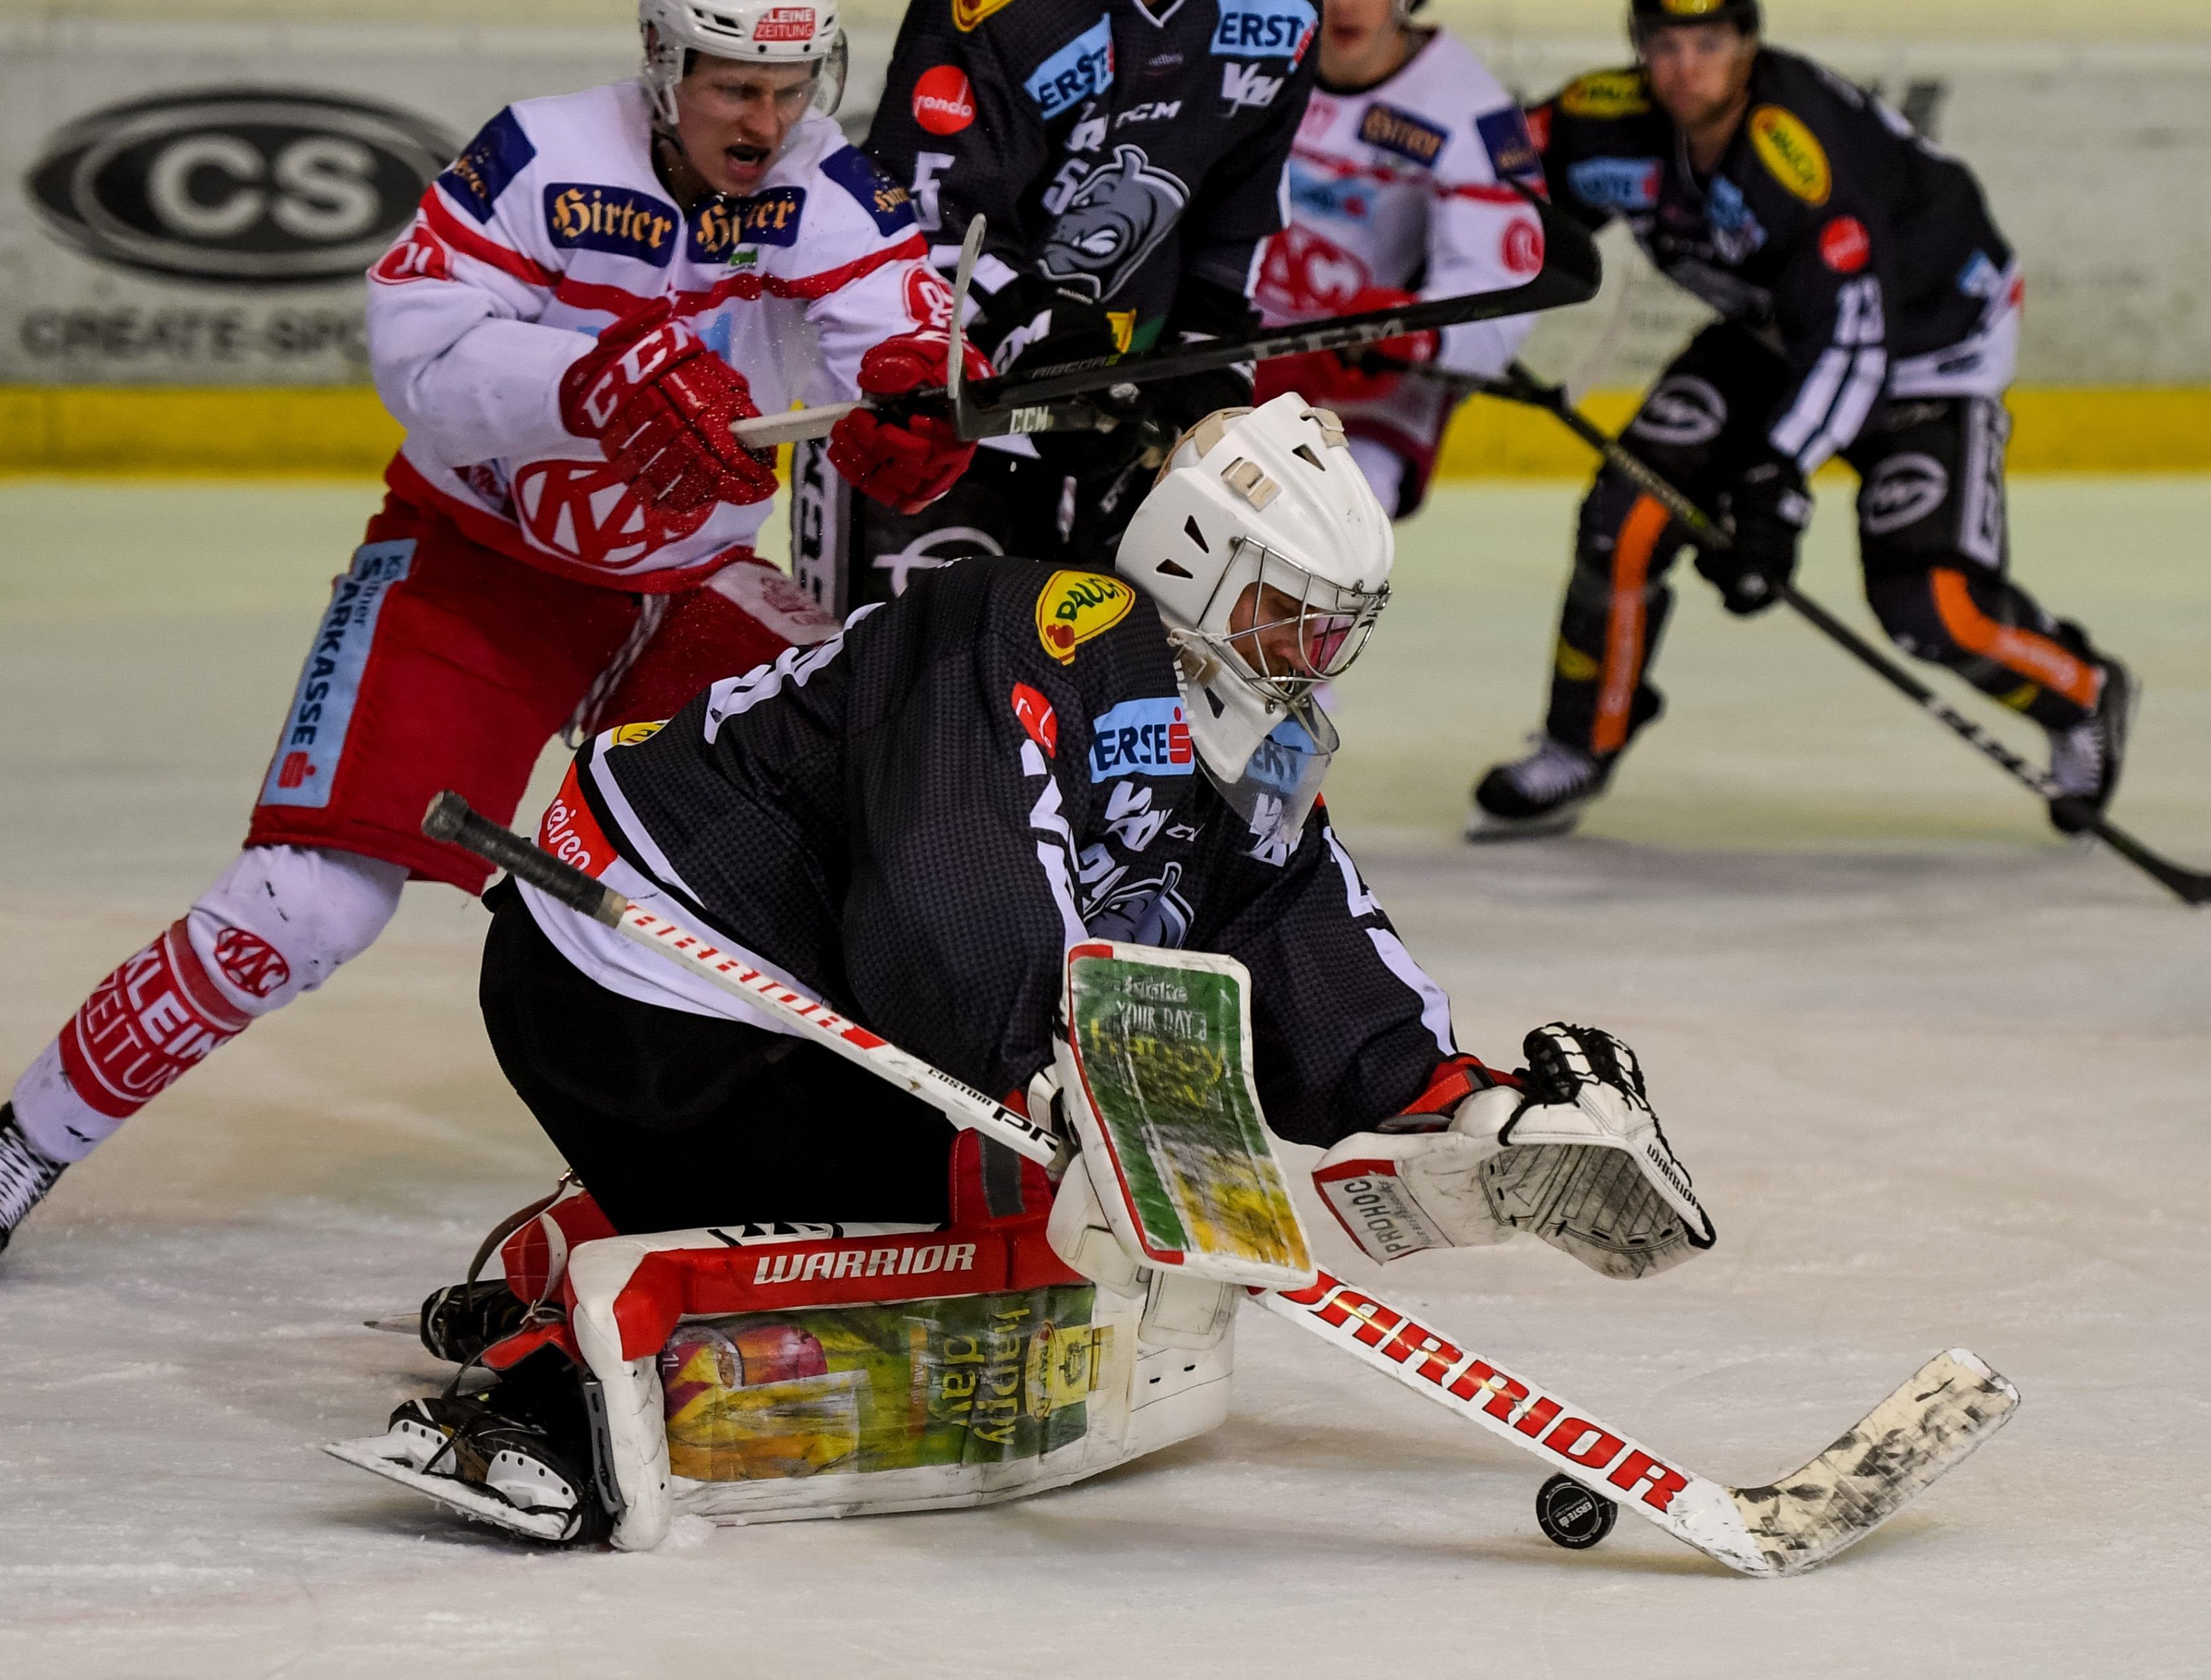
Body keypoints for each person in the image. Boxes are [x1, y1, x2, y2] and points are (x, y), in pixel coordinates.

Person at [343, 394, 1714, 1544]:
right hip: (640, 977)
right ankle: (546, 1384)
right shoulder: (1028, 621)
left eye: (1335, 626)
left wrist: (1463, 1101)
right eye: (1290, 617)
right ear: (1194, 563)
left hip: (787, 1013)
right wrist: (1062, 1076)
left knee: (1022, 1225)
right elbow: (951, 858)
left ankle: (569, 1246)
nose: (1315, 657)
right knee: (978, 1225)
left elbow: (1291, 912)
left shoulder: (1251, 734)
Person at [0, 0, 985, 1288]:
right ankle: (30, 1138)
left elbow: (889, 338)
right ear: (658, 59)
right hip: (480, 566)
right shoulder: (536, 156)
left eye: (785, 88)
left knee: (869, 807)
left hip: (682, 587)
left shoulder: (835, 186)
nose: (763, 122)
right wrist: (580, 384)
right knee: (309, 901)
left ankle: (870, 1168)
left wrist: (913, 417)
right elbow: (414, 353)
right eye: (729, 86)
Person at [1469, 0, 2133, 843]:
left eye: (1708, 42)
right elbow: (1488, 177)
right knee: (1622, 520)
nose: (1684, 67)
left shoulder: (1797, 154)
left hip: (1930, 350)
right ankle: (1581, 740)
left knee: (1928, 605)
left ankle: (2082, 691)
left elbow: (1857, 342)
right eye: (1664, 43)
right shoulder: (1603, 115)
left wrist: (1776, 482)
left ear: (1748, 42)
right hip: (1773, 332)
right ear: (1638, 44)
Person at [801, 0, 1322, 613]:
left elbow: (1237, 209)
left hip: (1119, 407)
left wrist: (1210, 362)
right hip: (938, 408)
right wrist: (1040, 340)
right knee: (897, 705)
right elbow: (926, 215)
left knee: (1101, 708)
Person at [1249, 0, 1548, 521]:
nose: (1345, 1)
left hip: (1364, 402)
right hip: (1232, 369)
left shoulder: (1469, 109)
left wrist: (1417, 332)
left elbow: (1502, 286)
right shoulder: (1255, 62)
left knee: (1311, 560)